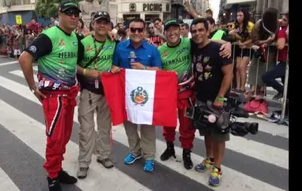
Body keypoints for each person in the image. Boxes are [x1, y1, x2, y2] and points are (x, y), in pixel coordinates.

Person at [18, 0, 83, 191]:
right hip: (54, 97)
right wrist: (32, 87)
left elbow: (75, 65)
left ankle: (58, 168)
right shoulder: (49, 36)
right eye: (69, 12)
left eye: (76, 13)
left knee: (64, 136)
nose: (73, 16)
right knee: (55, 137)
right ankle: (52, 176)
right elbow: (24, 58)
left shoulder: (74, 37)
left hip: (70, 94)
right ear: (60, 14)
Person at [158, 18, 232, 170]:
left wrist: (227, 44)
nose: (172, 33)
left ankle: (186, 153)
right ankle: (170, 147)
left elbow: (208, 41)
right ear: (165, 32)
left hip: (187, 93)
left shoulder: (188, 43)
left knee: (187, 126)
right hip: (169, 94)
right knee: (168, 123)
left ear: (181, 30)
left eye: (175, 29)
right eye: (169, 30)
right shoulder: (160, 50)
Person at [111, 18, 162, 172]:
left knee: (147, 128)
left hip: (146, 98)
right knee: (130, 126)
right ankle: (135, 151)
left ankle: (149, 156)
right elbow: (114, 66)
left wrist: (143, 68)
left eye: (140, 29)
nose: (137, 33)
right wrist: (114, 69)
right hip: (127, 97)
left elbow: (159, 71)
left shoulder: (152, 49)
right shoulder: (120, 47)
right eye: (133, 29)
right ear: (128, 30)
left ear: (144, 30)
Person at [190, 18, 233, 187]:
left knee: (219, 135)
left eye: (201, 30)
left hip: (218, 100)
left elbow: (229, 74)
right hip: (201, 98)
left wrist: (221, 96)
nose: (197, 33)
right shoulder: (194, 47)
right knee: (206, 132)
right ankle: (209, 159)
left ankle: (217, 168)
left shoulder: (219, 49)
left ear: (208, 31)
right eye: (194, 31)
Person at [76, 11, 117, 179]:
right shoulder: (83, 43)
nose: (101, 25)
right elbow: (73, 65)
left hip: (107, 92)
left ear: (109, 26)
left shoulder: (115, 43)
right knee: (86, 129)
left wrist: (115, 68)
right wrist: (86, 71)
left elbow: (119, 61)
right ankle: (84, 163)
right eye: (98, 22)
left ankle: (104, 156)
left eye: (105, 22)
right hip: (88, 91)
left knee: (105, 127)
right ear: (92, 24)